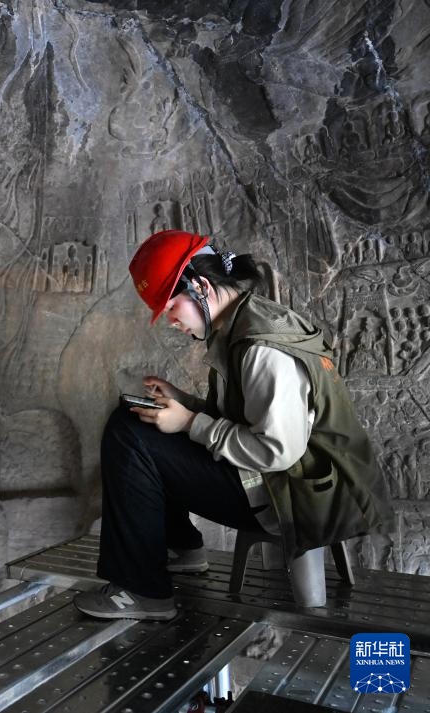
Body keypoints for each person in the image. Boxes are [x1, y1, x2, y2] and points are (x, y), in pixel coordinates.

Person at [74, 229, 391, 621]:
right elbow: (245, 419)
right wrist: (184, 404)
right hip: (291, 482)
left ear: (202, 286)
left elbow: (277, 451)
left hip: (295, 496)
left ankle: (143, 590)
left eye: (172, 305)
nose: (172, 321)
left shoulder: (261, 347)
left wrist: (190, 422)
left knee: (128, 436)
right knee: (137, 421)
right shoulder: (242, 322)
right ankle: (182, 548)